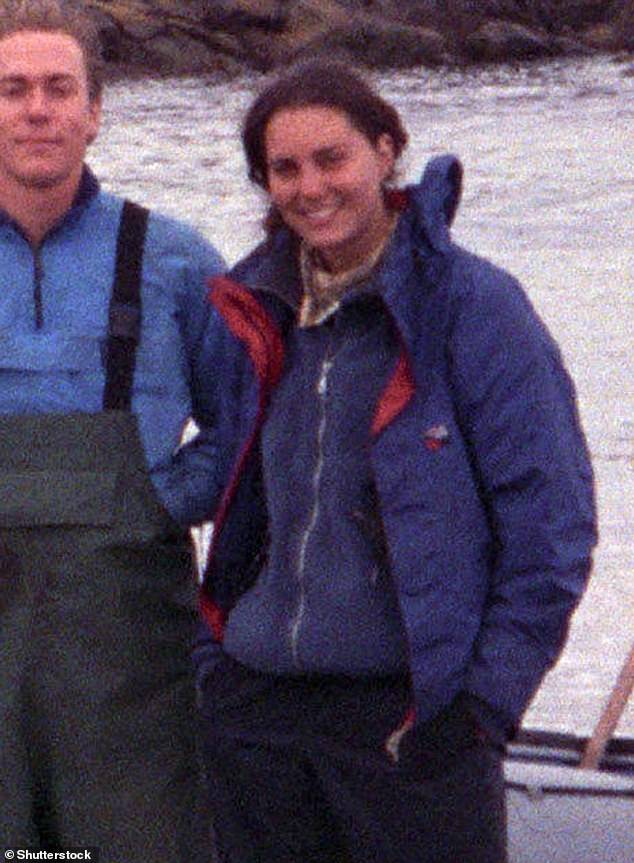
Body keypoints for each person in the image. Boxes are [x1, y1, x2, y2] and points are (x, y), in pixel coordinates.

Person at [193, 58, 598, 863]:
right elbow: (229, 489)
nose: (312, 186)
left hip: (415, 727)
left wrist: (483, 707)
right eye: (285, 168)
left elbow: (551, 528)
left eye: (332, 157)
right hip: (256, 716)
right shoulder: (254, 309)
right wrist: (214, 661)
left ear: (386, 151)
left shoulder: (475, 308)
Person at [0, 1, 225, 859]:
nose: (37, 108)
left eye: (60, 88)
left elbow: (248, 431)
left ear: (94, 112)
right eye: (13, 89)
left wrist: (159, 502)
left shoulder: (173, 258)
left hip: (129, 665)